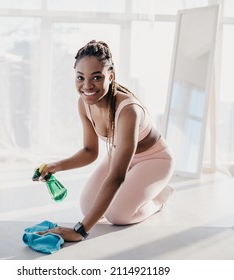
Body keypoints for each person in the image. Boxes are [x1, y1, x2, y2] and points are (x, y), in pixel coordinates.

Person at [38, 40, 174, 242]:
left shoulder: (128, 110)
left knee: (117, 215)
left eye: (96, 77)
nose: (87, 86)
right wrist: (56, 166)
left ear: (110, 76)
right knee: (87, 205)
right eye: (80, 78)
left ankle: (159, 197)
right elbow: (89, 151)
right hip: (118, 154)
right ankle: (142, 190)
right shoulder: (84, 103)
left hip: (154, 160)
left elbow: (117, 176)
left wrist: (80, 230)